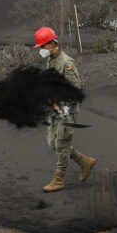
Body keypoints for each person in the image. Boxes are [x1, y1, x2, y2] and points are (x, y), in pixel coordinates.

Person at [36, 26, 96, 192]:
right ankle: (84, 161)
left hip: (66, 111)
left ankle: (59, 179)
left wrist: (64, 107)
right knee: (52, 143)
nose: (40, 49)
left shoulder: (66, 63)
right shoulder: (51, 60)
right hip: (54, 109)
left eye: (42, 46)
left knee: (62, 144)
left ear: (51, 44)